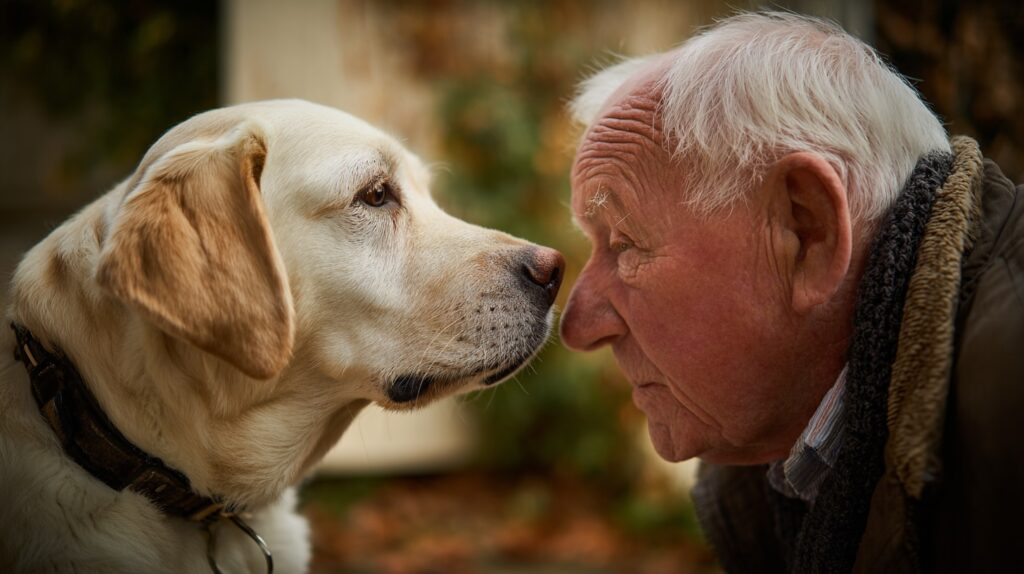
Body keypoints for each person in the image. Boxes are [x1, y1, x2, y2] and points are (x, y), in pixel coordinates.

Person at [559, 11, 1023, 573]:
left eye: (625, 244)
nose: (579, 326)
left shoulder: (1008, 401)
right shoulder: (780, 465)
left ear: (807, 232)